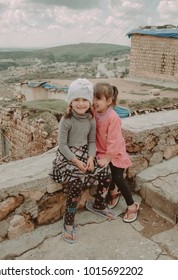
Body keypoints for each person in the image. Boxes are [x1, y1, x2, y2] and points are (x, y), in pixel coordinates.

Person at [49, 78, 117, 244]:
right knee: (76, 182)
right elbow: (62, 145)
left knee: (106, 173)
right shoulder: (66, 120)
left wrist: (91, 158)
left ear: (90, 101)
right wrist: (76, 162)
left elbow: (92, 142)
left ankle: (99, 204)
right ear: (70, 101)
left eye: (85, 99)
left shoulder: (91, 119)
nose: (81, 104)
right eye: (76, 99)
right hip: (68, 157)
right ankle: (69, 220)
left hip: (86, 154)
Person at [93, 82, 140, 223]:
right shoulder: (95, 112)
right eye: (93, 98)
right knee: (106, 174)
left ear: (109, 101)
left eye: (98, 99)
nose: (94, 102)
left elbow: (114, 141)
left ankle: (132, 205)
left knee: (118, 177)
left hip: (115, 152)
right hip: (102, 151)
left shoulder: (113, 118)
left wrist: (108, 157)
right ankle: (113, 191)